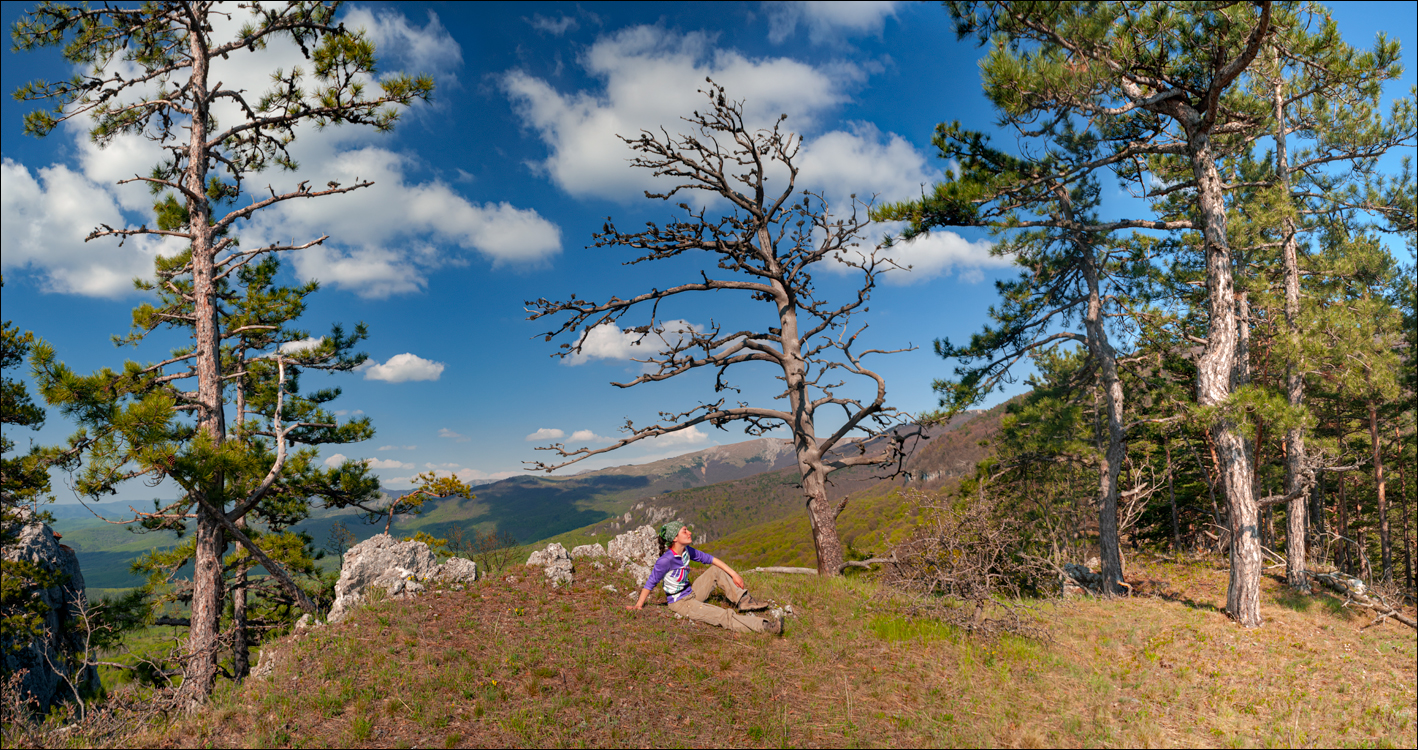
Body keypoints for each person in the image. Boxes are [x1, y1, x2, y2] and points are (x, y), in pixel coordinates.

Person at [627, 520, 781, 634]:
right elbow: (651, 582)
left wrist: (734, 574)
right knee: (722, 615)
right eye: (684, 531)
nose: (689, 533)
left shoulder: (687, 551)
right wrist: (639, 605)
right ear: (675, 538)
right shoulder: (666, 560)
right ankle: (766, 627)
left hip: (691, 592)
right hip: (680, 603)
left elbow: (711, 559)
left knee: (715, 570)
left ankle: (745, 601)